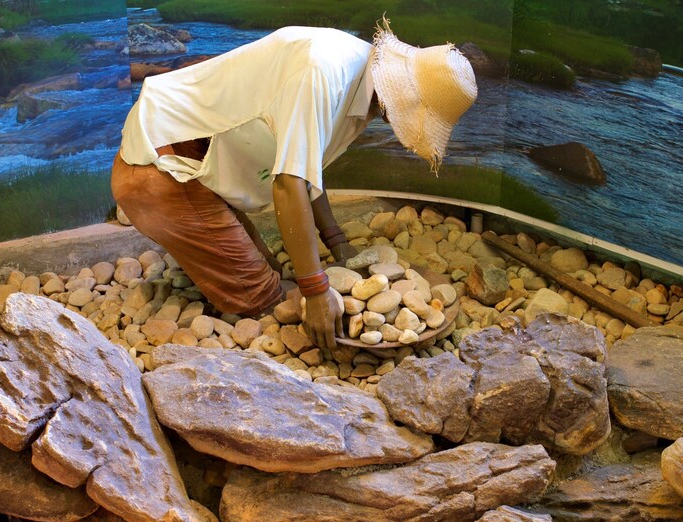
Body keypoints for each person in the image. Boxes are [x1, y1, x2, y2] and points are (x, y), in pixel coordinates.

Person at [111, 18, 477, 350]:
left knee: (276, 273)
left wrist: (337, 244)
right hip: (162, 167)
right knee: (264, 297)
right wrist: (316, 292)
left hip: (205, 165)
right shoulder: (323, 73)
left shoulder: (360, 73)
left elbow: (307, 168)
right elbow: (288, 183)